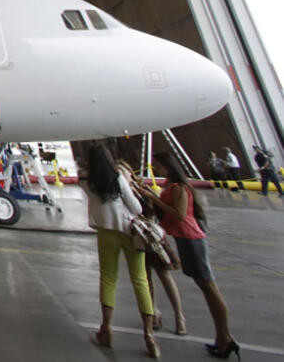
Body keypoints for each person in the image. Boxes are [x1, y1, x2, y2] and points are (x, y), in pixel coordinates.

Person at [138, 152, 239, 359]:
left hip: (192, 240)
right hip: (185, 240)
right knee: (206, 287)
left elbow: (180, 214)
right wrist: (150, 194)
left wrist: (152, 197)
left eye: (158, 165)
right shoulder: (172, 185)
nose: (156, 169)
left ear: (167, 166)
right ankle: (222, 338)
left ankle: (226, 337)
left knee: (210, 288)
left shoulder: (178, 188)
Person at [81, 145, 157, 357]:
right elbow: (137, 208)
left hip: (106, 232)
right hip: (129, 232)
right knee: (140, 280)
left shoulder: (87, 182)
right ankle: (149, 334)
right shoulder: (118, 178)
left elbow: (86, 180)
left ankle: (106, 328)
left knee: (108, 279)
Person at [117, 160, 187, 336]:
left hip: (151, 237)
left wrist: (146, 196)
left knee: (164, 275)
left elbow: (150, 211)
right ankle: (153, 312)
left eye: (123, 173)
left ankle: (179, 317)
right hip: (138, 237)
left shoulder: (141, 191)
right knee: (146, 277)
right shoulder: (126, 191)